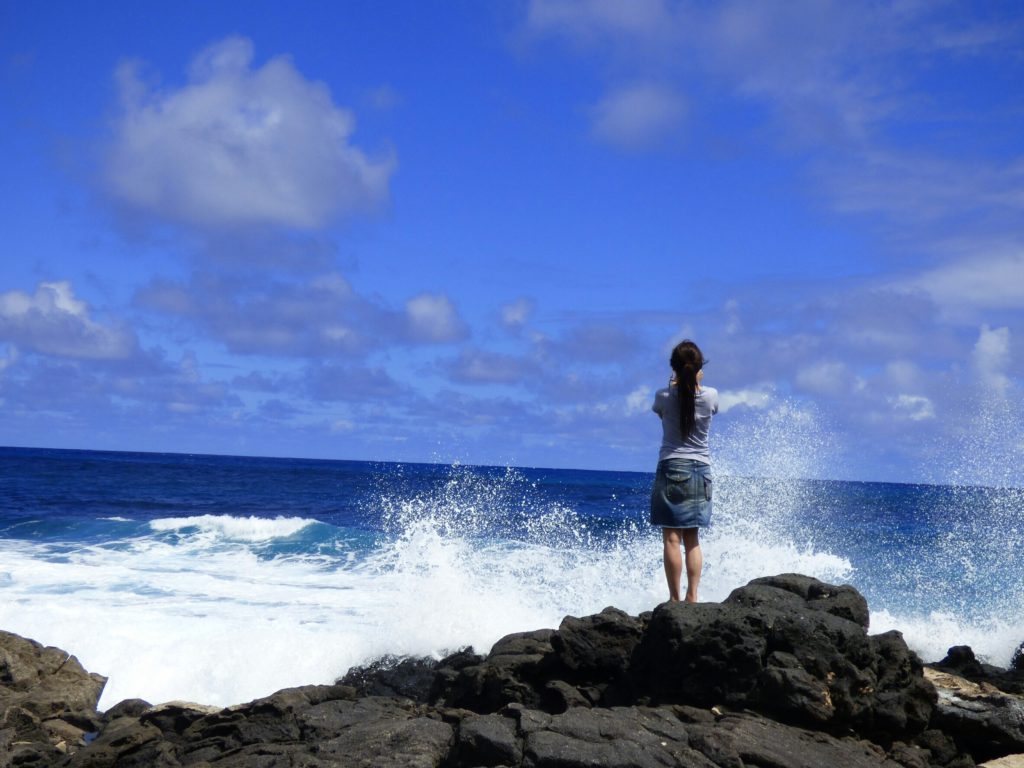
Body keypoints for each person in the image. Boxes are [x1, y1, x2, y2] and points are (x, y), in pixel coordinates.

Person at [650, 340, 718, 603]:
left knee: (671, 538)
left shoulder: (663, 396)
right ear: (699, 367)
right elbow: (709, 408)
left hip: (671, 467)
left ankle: (674, 599)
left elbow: (662, 415)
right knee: (692, 538)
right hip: (701, 470)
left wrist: (678, 384)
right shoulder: (711, 395)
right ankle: (692, 596)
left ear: (674, 368)